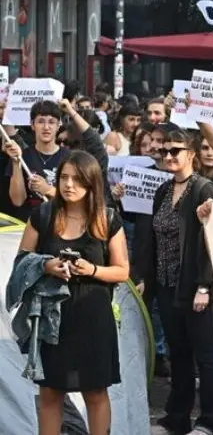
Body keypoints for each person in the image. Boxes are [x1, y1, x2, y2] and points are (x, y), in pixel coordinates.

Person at [15, 152, 128, 434]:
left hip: (93, 314)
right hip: (52, 316)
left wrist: (91, 270)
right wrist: (47, 265)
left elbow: (122, 271)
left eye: (77, 179)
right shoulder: (42, 215)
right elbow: (21, 261)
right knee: (50, 392)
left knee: (95, 392)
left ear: (92, 183)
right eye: (63, 177)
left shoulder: (107, 219)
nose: (68, 184)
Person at [133, 129, 213, 435]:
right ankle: (177, 418)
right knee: (179, 355)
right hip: (166, 285)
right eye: (165, 151)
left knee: (207, 357)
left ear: (192, 154)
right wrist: (145, 278)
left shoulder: (203, 189)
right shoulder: (162, 189)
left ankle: (210, 422)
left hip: (195, 287)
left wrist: (205, 285)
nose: (169, 156)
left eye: (176, 151)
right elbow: (151, 238)